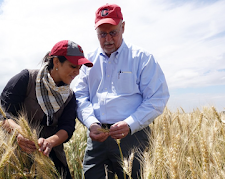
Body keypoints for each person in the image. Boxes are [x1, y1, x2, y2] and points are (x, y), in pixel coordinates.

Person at [73, 4, 170, 179]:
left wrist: (130, 124)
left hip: (133, 138)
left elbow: (157, 98)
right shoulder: (89, 62)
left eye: (113, 32)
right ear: (96, 33)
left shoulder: (142, 58)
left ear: (123, 27)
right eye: (102, 34)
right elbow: (80, 96)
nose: (108, 39)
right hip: (97, 138)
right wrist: (91, 122)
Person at [0, 40, 93, 179]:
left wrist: (49, 142)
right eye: (73, 66)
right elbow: (3, 115)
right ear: (56, 62)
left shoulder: (69, 96)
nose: (77, 72)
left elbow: (67, 127)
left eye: (80, 67)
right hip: (16, 157)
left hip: (51, 159)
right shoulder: (26, 79)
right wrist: (19, 133)